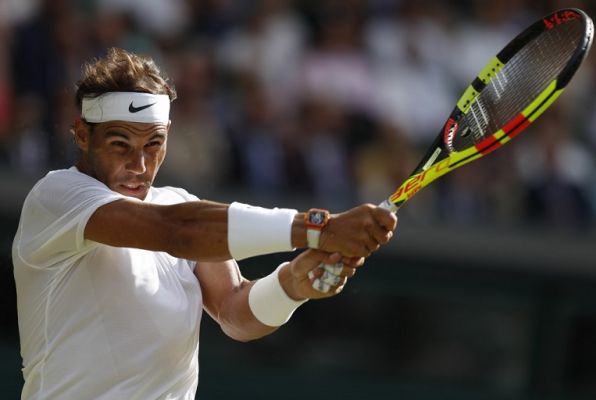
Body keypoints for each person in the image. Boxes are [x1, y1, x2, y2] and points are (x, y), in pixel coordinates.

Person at [11, 47, 397, 400]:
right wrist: (319, 228)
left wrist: (292, 283)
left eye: (153, 144)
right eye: (120, 145)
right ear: (81, 134)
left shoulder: (179, 204)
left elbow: (236, 313)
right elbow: (179, 232)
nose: (140, 166)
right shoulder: (57, 197)